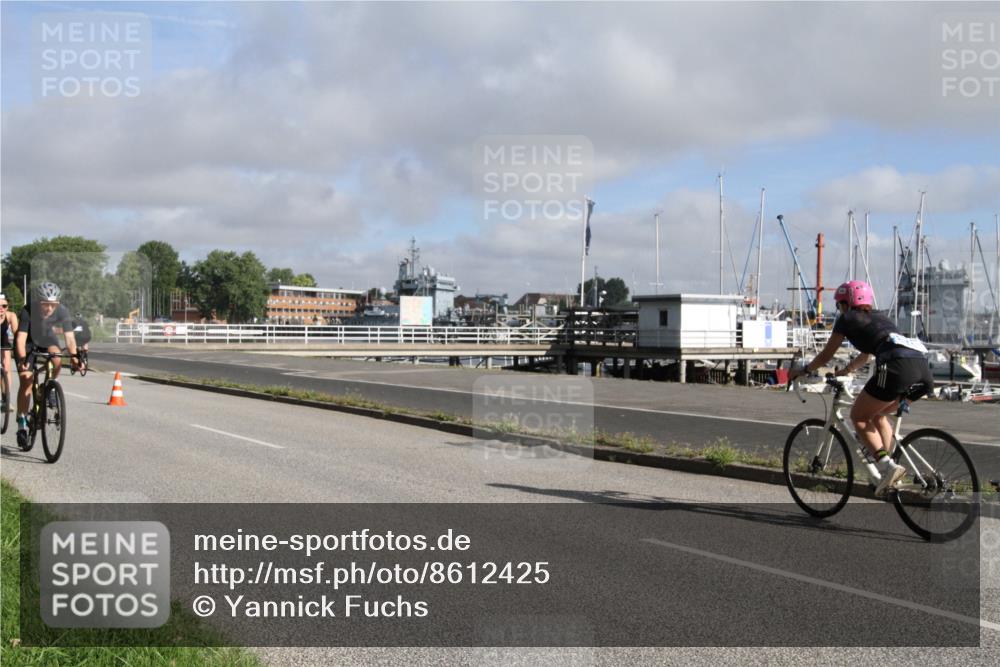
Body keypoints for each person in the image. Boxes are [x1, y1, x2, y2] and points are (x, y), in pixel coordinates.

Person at [789, 280, 934, 497]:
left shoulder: (847, 318)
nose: (839, 309)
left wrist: (804, 369)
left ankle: (887, 467)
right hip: (922, 369)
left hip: (896, 366)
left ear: (847, 303)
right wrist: (846, 370)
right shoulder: (880, 318)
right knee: (879, 415)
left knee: (858, 416)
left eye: (839, 305)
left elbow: (827, 354)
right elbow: (866, 354)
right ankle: (888, 471)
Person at [13, 282, 83, 450]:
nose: (50, 308)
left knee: (57, 358)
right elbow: (20, 340)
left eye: (53, 304)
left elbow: (70, 338)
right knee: (27, 380)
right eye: (46, 304)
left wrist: (74, 358)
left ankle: (50, 385)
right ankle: (22, 424)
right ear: (39, 302)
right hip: (28, 343)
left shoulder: (62, 310)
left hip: (46, 339)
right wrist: (23, 360)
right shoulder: (27, 310)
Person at [1, 293, 19, 415]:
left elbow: (17, 334)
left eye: (4, 305)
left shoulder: (11, 316)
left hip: (4, 343)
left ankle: (6, 399)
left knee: (6, 368)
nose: (1, 308)